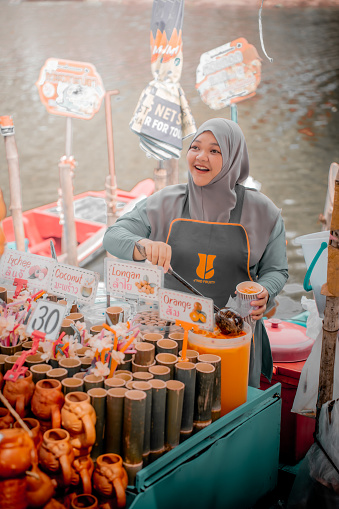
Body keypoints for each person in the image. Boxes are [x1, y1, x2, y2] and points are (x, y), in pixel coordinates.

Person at [103, 118, 288, 387]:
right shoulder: (166, 202)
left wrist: (265, 291)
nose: (201, 157)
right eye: (195, 147)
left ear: (234, 158)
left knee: (229, 408)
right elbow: (113, 237)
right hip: (171, 336)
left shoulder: (263, 212)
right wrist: (143, 246)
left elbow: (276, 270)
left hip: (233, 337)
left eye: (215, 151)